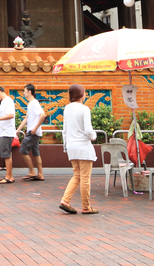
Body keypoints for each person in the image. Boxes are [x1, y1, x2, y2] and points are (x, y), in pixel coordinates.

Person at [59, 84, 97, 215]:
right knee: (85, 178)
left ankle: (65, 200)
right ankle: (86, 207)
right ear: (81, 94)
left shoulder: (67, 108)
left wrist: (65, 145)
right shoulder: (84, 109)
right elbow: (88, 129)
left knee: (77, 175)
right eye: (85, 93)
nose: (86, 95)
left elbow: (65, 130)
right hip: (83, 147)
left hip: (71, 147)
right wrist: (94, 136)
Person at [17, 83, 45, 181]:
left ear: (29, 92)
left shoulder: (34, 103)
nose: (23, 93)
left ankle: (32, 171)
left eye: (24, 91)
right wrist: (18, 130)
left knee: (23, 150)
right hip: (34, 132)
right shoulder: (31, 104)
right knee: (36, 153)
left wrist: (35, 128)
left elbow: (43, 115)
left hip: (33, 132)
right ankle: (40, 174)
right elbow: (27, 118)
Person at [0, 85, 16, 184]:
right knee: (6, 154)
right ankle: (9, 175)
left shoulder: (8, 101)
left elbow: (11, 115)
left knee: (7, 155)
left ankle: (9, 177)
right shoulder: (4, 102)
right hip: (3, 131)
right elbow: (4, 116)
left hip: (6, 132)